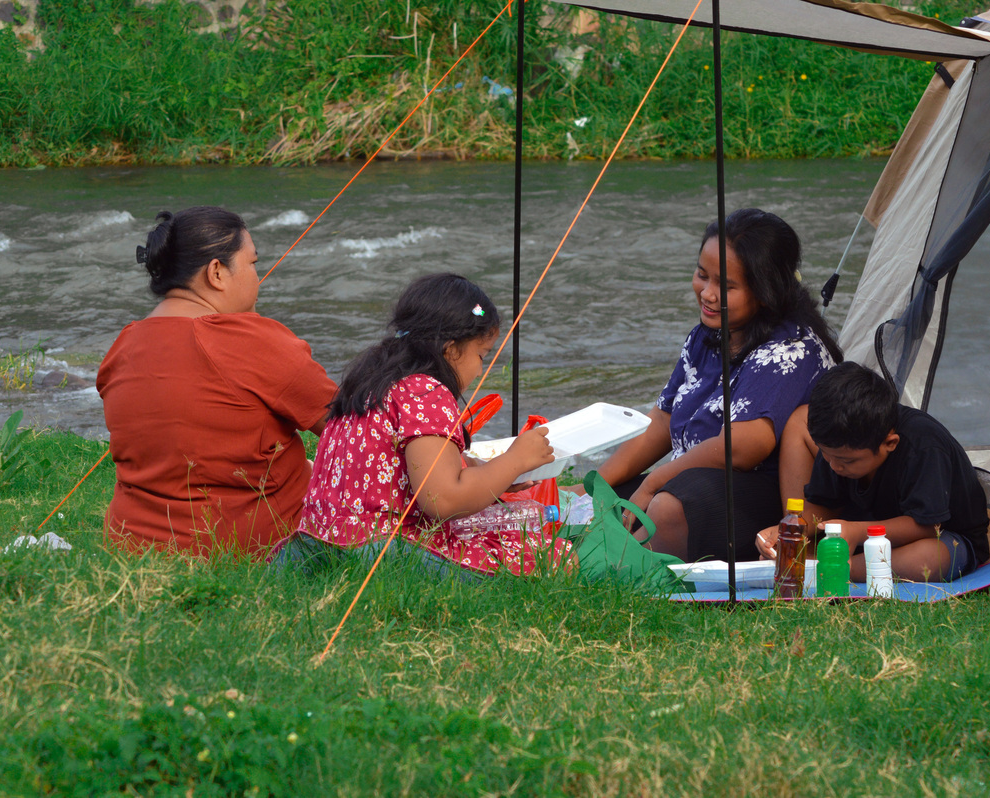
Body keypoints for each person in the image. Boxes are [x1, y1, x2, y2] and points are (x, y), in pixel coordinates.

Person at [281, 273, 572, 576]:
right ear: (450, 349)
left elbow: (411, 468)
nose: (480, 367)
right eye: (481, 355)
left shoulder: (370, 382)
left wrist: (492, 474)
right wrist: (515, 459)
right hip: (382, 551)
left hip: (317, 547)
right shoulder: (426, 392)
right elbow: (443, 499)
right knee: (551, 556)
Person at [595, 208, 841, 562]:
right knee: (606, 500)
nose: (707, 294)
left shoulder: (791, 349)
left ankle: (625, 569)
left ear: (765, 290)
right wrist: (597, 485)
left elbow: (743, 447)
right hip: (691, 477)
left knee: (664, 507)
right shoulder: (707, 334)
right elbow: (662, 422)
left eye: (726, 286)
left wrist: (653, 481)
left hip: (768, 496)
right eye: (701, 275)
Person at [97, 207, 336, 559]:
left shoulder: (123, 345)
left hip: (130, 545)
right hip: (250, 548)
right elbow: (352, 426)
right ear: (216, 272)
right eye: (253, 263)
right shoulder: (251, 339)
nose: (258, 277)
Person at [757, 362, 990, 582]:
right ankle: (811, 562)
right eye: (826, 454)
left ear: (890, 443)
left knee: (928, 558)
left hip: (942, 538)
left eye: (847, 460)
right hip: (865, 534)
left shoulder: (924, 445)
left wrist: (858, 532)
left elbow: (929, 526)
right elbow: (823, 508)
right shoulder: (837, 449)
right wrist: (788, 530)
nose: (834, 466)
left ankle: (828, 570)